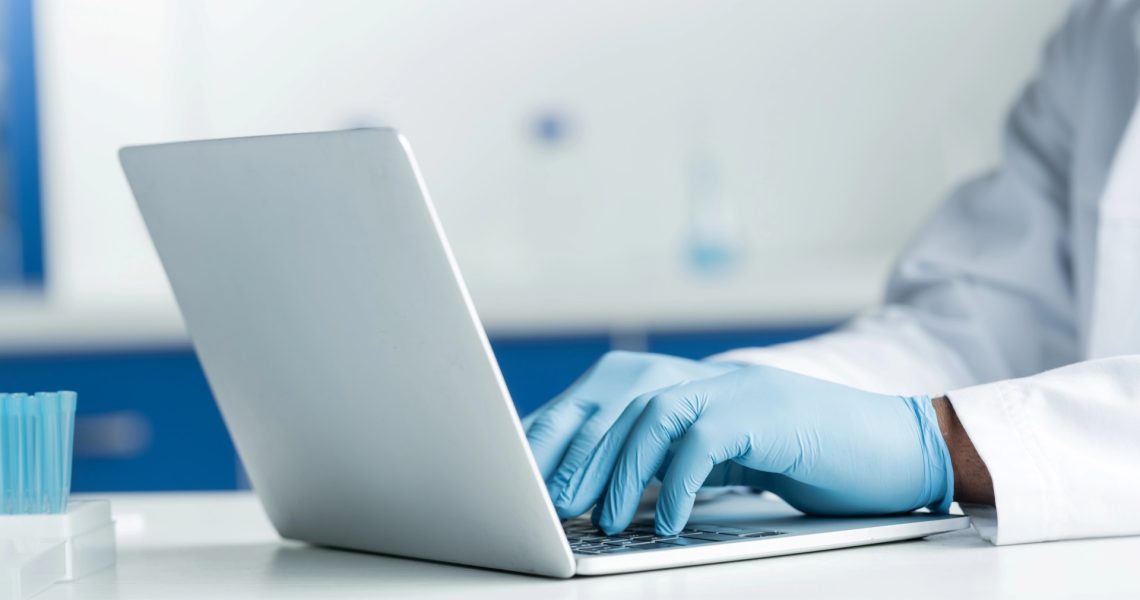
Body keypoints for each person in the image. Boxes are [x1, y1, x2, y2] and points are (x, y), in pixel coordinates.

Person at [524, 0, 1140, 545]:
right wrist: (731, 392)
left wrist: (941, 442)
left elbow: (943, 424)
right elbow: (984, 319)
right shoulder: (1106, 28)